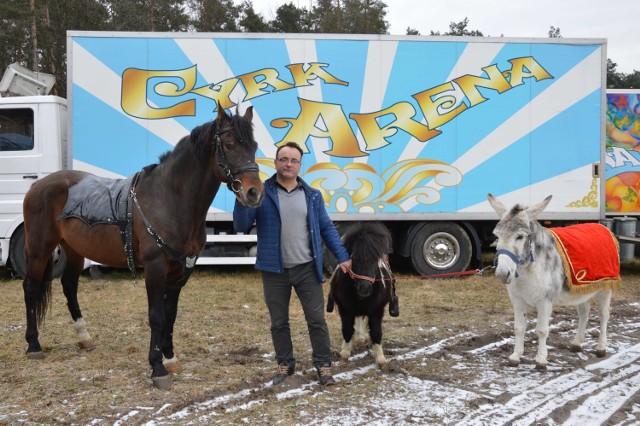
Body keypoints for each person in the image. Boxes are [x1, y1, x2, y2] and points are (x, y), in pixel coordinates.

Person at [233, 141, 352, 387]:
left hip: (307, 268)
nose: (288, 164)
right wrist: (241, 197)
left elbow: (326, 228)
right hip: (274, 270)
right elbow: (241, 226)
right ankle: (285, 365)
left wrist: (343, 257)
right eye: (284, 159)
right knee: (279, 322)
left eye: (294, 160)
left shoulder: (312, 196)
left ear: (299, 165)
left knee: (316, 320)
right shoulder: (262, 192)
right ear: (275, 162)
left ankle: (323, 366)